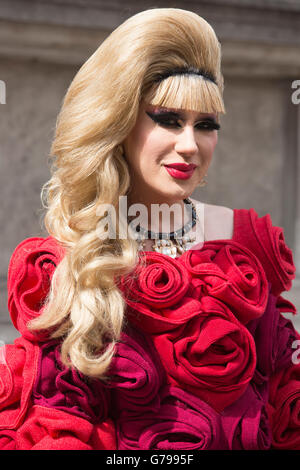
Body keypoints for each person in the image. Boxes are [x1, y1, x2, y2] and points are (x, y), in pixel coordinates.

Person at [0, 7, 299, 450]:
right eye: (169, 120)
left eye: (207, 125)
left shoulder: (243, 243)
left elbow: (281, 394)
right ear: (119, 125)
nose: (190, 145)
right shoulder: (67, 260)